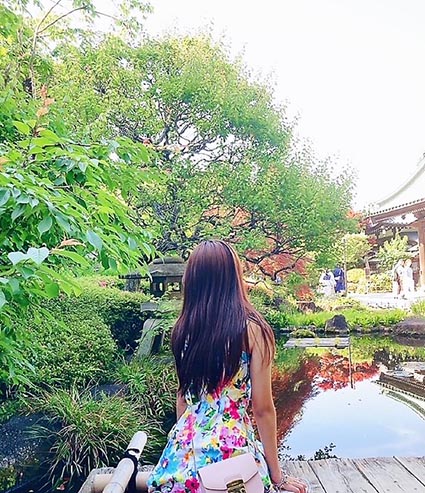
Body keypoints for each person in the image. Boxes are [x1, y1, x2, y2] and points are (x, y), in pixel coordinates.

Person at [145, 240, 308, 493]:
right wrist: (278, 477)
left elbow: (182, 399)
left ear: (193, 280)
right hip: (233, 457)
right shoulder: (253, 330)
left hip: (182, 463)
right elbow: (263, 409)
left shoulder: (182, 330)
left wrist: (185, 449)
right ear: (233, 278)